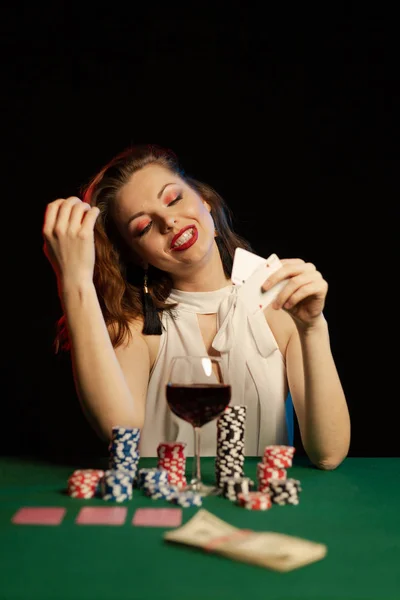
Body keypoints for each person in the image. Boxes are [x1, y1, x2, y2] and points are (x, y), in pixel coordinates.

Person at [42, 144, 351, 468]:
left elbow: (328, 454)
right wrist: (75, 281)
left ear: (205, 203)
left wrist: (313, 328)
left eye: (173, 199)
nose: (169, 221)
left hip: (255, 513)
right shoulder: (135, 328)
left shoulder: (279, 307)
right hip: (166, 513)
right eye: (144, 226)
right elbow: (120, 432)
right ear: (137, 255)